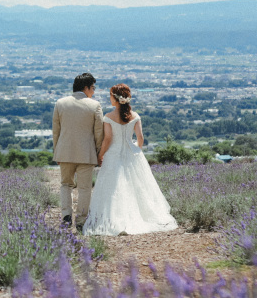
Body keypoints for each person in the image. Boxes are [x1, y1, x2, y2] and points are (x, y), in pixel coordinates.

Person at [82, 83, 178, 236]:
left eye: (110, 96)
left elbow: (108, 139)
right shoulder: (135, 116)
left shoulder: (108, 117)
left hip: (113, 154)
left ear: (116, 98)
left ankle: (114, 219)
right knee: (137, 186)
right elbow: (140, 138)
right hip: (132, 153)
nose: (109, 98)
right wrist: (136, 149)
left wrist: (100, 155)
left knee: (113, 187)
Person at [52, 72, 104, 231]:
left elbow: (56, 131)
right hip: (86, 153)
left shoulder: (60, 103)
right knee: (84, 188)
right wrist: (98, 152)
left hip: (65, 151)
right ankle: (81, 220)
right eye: (93, 88)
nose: (93, 91)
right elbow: (98, 133)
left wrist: (57, 151)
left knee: (65, 185)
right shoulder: (94, 105)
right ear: (86, 88)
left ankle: (66, 216)